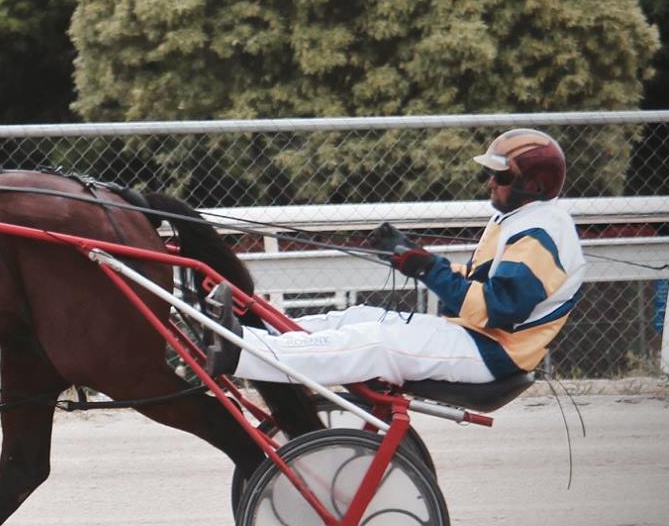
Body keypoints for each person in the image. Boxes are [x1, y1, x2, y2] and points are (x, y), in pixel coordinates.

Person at [228, 128, 583, 390]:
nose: (491, 182)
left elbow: (499, 308)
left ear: (534, 186)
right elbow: (479, 281)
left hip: (494, 352)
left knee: (375, 343)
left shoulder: (540, 233)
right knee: (360, 317)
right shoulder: (521, 218)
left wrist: (427, 268)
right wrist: (412, 258)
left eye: (502, 176)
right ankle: (262, 334)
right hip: (475, 336)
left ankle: (243, 353)